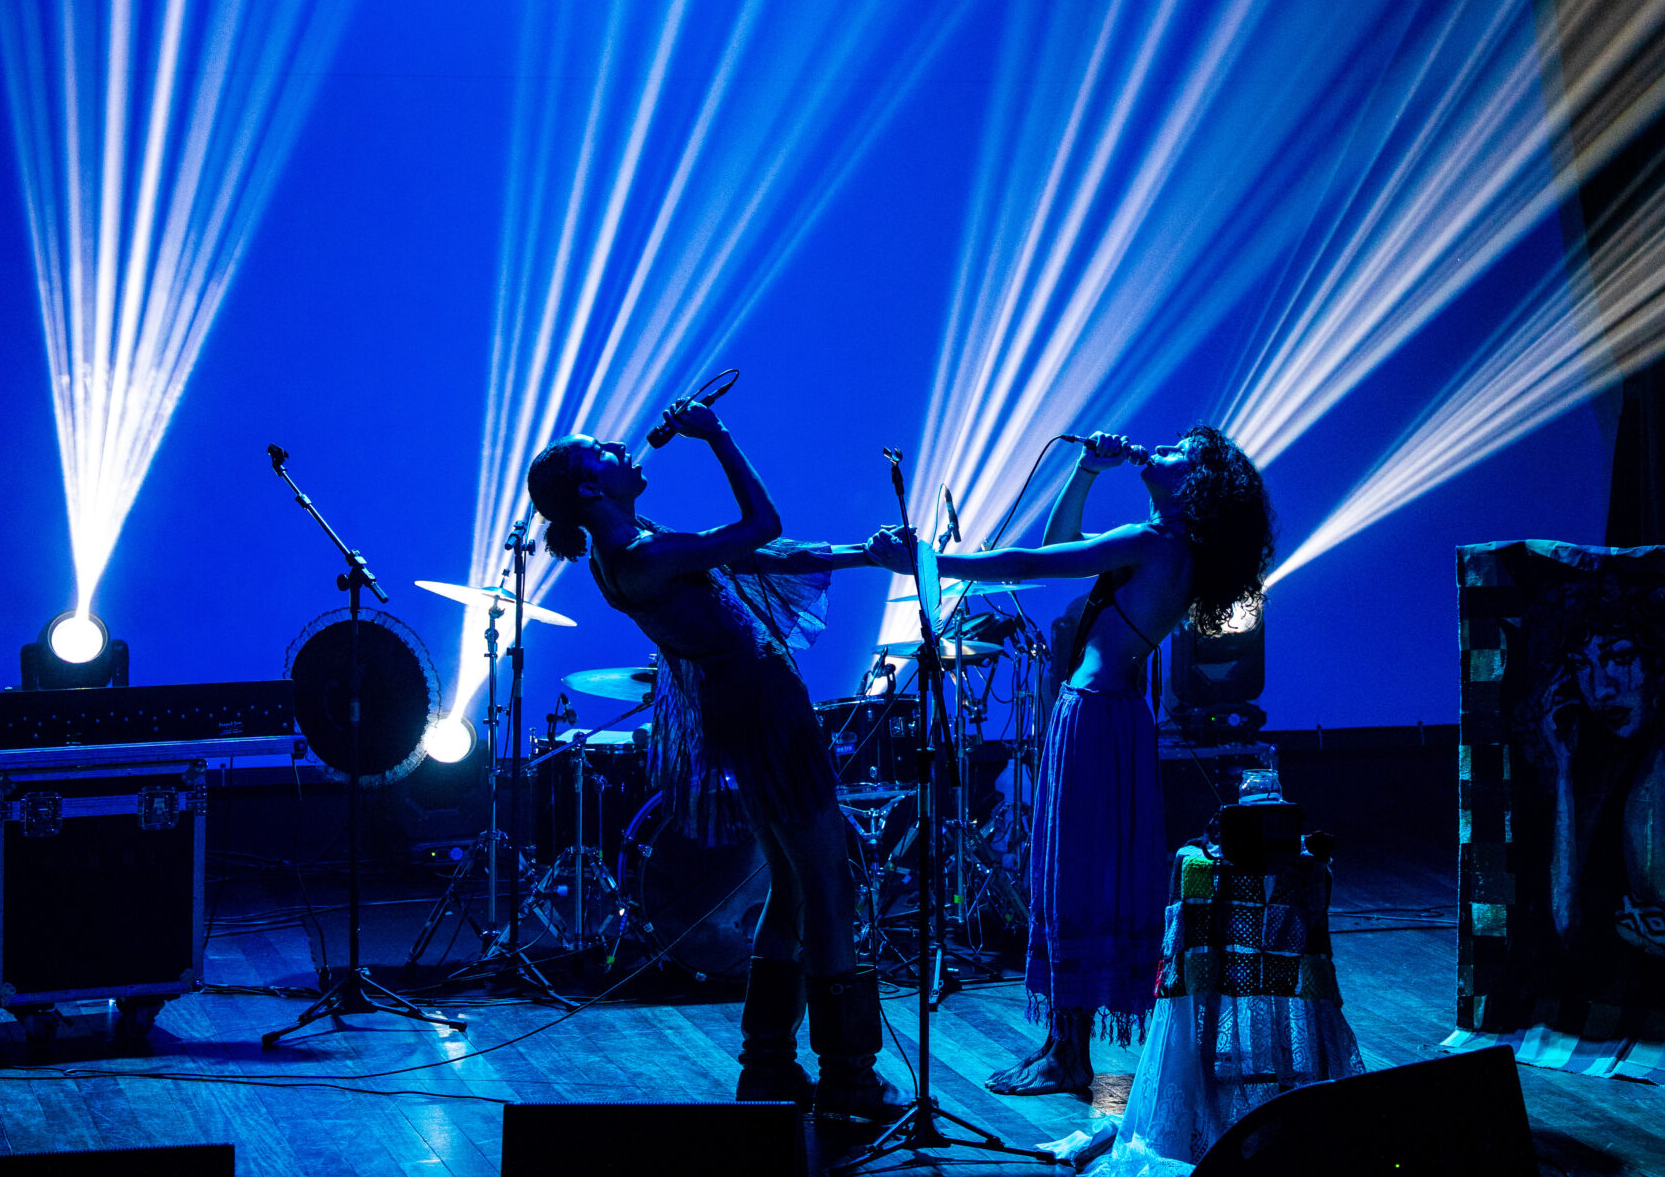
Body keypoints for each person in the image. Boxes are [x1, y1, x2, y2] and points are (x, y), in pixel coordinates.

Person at [868, 426, 1274, 1096]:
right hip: (1104, 718)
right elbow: (1063, 549)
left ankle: (1070, 1054)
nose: (1158, 449)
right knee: (1075, 874)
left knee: (1076, 875)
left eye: (1179, 452)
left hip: (1096, 719)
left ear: (1198, 485)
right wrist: (1086, 470)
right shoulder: (1164, 544)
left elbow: (1031, 563)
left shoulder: (1153, 542)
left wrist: (926, 564)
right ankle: (1063, 1045)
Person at [526, 402, 899, 1120]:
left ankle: (767, 1065)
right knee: (827, 884)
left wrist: (861, 554)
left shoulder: (632, 547)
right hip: (764, 709)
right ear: (589, 490)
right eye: (598, 451)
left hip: (746, 707)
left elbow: (751, 554)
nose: (617, 446)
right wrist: (718, 435)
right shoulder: (640, 555)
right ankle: (850, 1076)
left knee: (792, 883)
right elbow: (760, 527)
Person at [1529, 591, 1665, 1036]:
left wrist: (1621, 918)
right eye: (1581, 665)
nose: (1601, 687)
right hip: (1640, 1027)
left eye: (1620, 657)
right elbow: (1570, 927)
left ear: (1660, 656)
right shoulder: (1616, 760)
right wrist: (1563, 770)